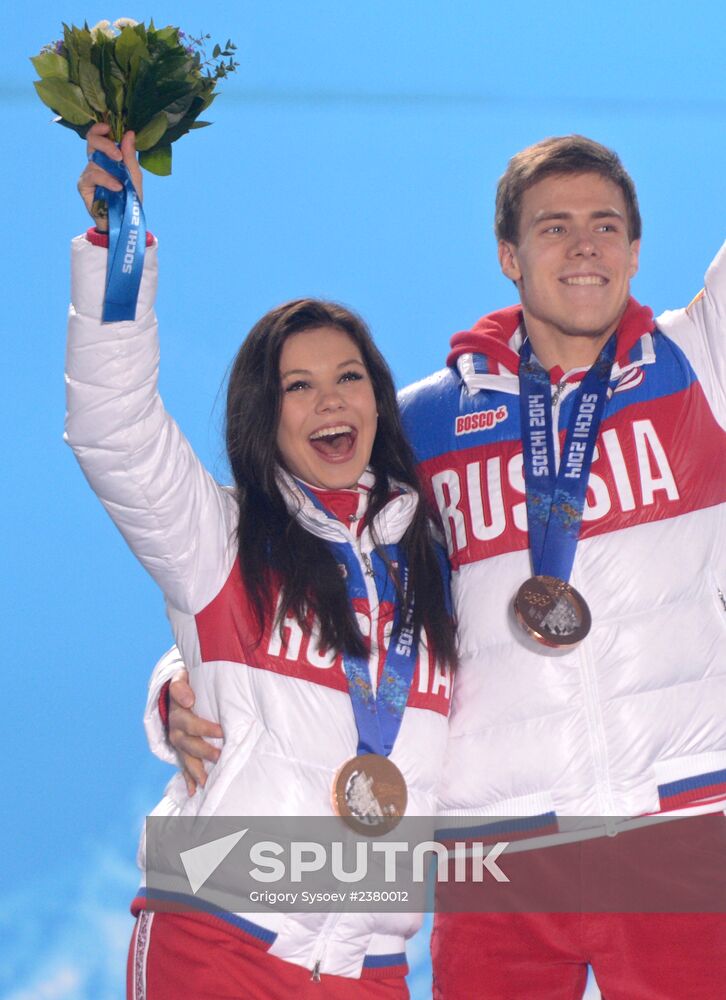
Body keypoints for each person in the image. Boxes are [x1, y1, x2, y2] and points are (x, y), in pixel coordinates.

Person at [162, 135, 726, 998]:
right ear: (508, 254)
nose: (584, 246)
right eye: (554, 227)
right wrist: (180, 682)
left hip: (679, 822)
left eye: (606, 225)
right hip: (495, 854)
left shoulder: (699, 365)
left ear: (637, 249)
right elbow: (308, 564)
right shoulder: (420, 428)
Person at [67, 123, 457, 1000]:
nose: (330, 400)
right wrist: (114, 248)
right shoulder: (222, 541)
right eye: (299, 384)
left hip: (371, 970)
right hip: (219, 946)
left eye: (350, 377)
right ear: (266, 416)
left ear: (380, 400)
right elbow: (114, 432)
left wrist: (176, 680)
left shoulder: (436, 572)